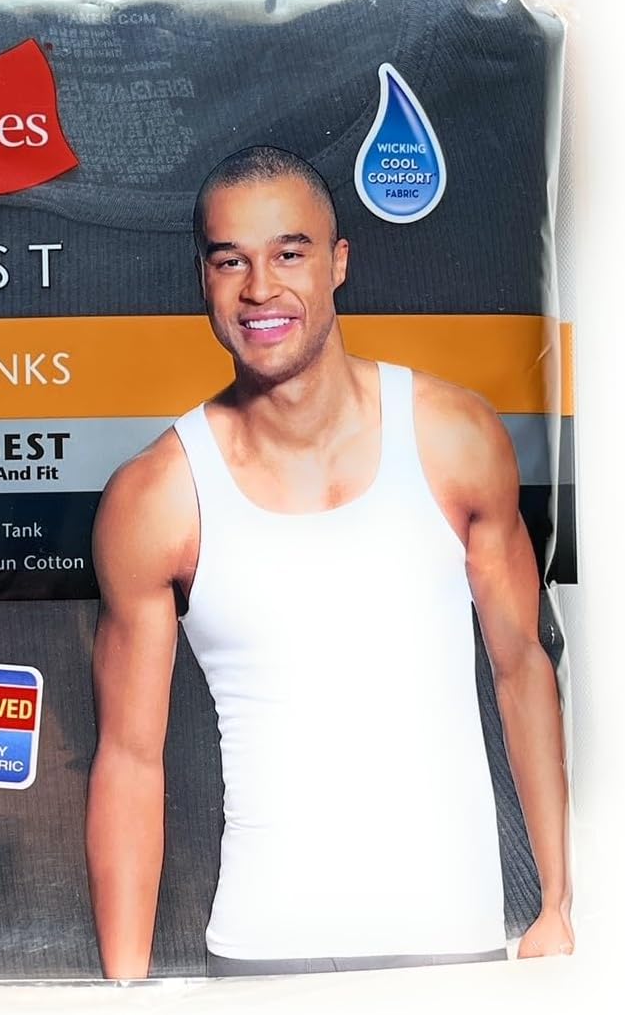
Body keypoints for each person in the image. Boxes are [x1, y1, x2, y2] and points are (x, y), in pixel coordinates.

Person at [85, 145, 573, 979]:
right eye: (229, 260)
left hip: (448, 937)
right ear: (203, 279)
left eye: (288, 253)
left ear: (337, 262)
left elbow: (520, 664)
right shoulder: (157, 497)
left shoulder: (454, 438)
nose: (259, 288)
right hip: (261, 949)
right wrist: (123, 991)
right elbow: (129, 760)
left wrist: (556, 902)